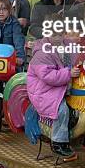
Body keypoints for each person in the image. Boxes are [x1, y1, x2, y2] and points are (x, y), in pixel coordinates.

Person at [27, 27, 80, 156]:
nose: (58, 38)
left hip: (63, 85)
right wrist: (68, 73)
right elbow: (48, 76)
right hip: (44, 90)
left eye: (61, 34)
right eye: (54, 35)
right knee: (62, 110)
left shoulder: (68, 45)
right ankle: (58, 142)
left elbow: (79, 54)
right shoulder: (42, 53)